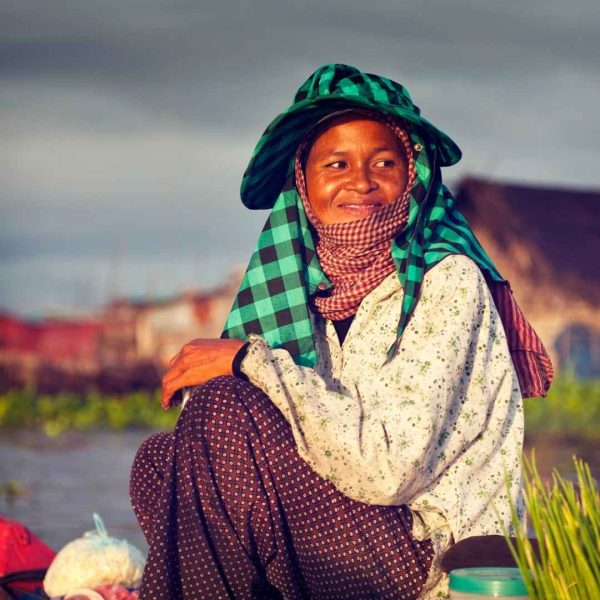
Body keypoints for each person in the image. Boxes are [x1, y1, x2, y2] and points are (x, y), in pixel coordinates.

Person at [130, 64, 552, 599]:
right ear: (305, 182)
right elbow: (213, 446)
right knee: (160, 462)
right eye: (337, 163)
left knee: (224, 405)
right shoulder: (300, 294)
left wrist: (250, 361)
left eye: (383, 161)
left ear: (412, 174)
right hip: (343, 534)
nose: (361, 181)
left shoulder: (448, 280)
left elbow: (389, 469)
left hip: (426, 557)